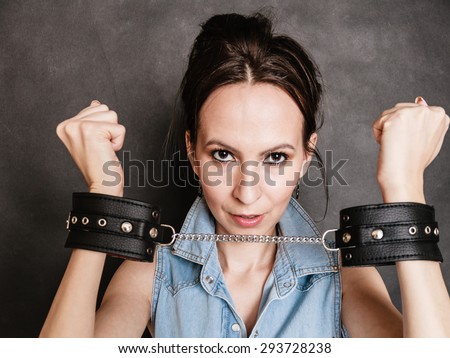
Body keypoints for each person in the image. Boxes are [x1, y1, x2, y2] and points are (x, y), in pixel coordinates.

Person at [40, 13, 450, 338]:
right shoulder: (150, 275)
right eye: (223, 154)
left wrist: (405, 188)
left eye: (275, 157)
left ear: (306, 155)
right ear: (192, 152)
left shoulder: (347, 278)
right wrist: (102, 200)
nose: (247, 194)